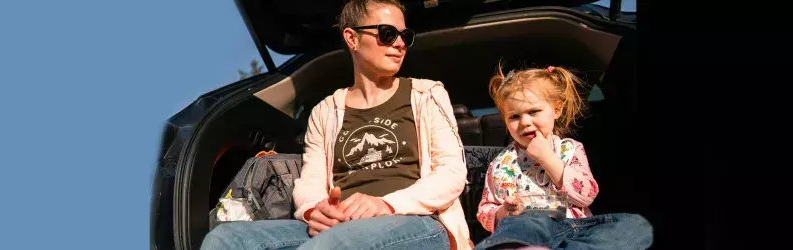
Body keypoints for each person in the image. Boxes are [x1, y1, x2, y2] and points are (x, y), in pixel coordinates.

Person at [201, 0, 473, 249]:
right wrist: (314, 210)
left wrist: (386, 204)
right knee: (226, 239)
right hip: (340, 228)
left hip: (417, 222)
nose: (400, 43)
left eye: (405, 36)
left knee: (332, 245)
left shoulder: (427, 94)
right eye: (388, 33)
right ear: (352, 38)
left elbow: (451, 174)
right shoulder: (324, 112)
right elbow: (310, 182)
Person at [473, 65, 653, 250]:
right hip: (528, 226)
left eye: (533, 112)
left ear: (556, 109)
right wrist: (503, 212)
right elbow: (485, 210)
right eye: (514, 116)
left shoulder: (570, 149)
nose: (525, 122)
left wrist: (548, 158)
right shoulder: (501, 163)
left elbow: (587, 195)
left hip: (574, 227)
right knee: (525, 222)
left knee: (635, 225)